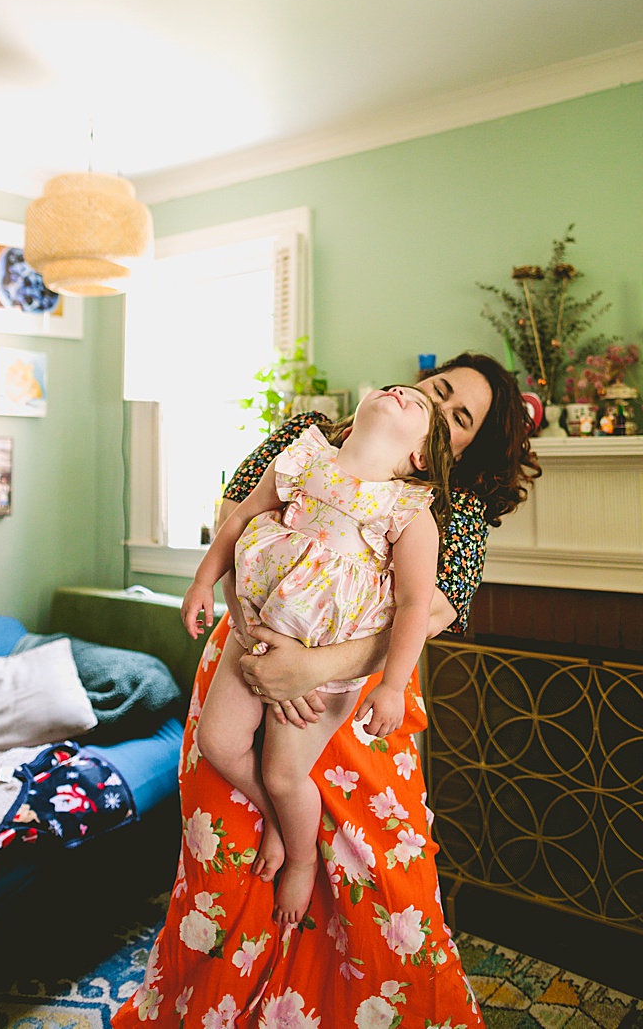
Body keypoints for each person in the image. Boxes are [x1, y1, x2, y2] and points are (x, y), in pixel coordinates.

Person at [114, 351, 538, 1029]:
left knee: (382, 895)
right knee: (223, 876)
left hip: (352, 701)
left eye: (460, 416)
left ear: (456, 450)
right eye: (440, 388)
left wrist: (310, 668)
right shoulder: (306, 438)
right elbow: (243, 520)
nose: (435, 403)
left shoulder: (447, 515)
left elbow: (423, 615)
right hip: (244, 657)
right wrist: (255, 635)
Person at [181, 384, 454, 925]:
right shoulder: (303, 460)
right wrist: (201, 583)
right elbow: (236, 522)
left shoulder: (408, 512)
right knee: (217, 741)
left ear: (419, 455)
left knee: (286, 774)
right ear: (352, 422)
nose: (402, 391)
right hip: (252, 639)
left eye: (418, 404)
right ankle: (279, 821)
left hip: (326, 673)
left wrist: (393, 686)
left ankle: (300, 860)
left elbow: (415, 606)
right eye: (396, 388)